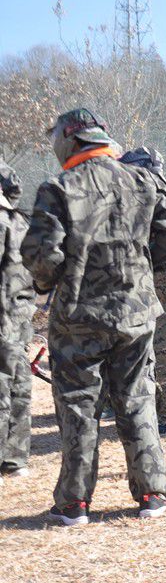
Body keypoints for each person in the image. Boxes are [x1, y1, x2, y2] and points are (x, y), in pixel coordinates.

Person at [22, 109, 166, 524]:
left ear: (71, 140)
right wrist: (144, 271)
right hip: (135, 312)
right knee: (137, 397)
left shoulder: (58, 188)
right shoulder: (141, 179)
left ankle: (74, 503)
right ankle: (153, 493)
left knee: (78, 405)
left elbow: (41, 253)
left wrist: (51, 282)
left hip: (78, 318)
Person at [119, 147, 166, 435]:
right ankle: (150, 410)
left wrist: (148, 266)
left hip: (163, 287)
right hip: (147, 286)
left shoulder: (165, 197)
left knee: (164, 350)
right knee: (143, 351)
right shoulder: (143, 197)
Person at [0, 161, 35, 481]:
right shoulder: (18, 221)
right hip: (16, 319)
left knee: (12, 386)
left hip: (10, 319)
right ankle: (14, 458)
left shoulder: (10, 221)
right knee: (17, 386)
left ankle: (11, 458)